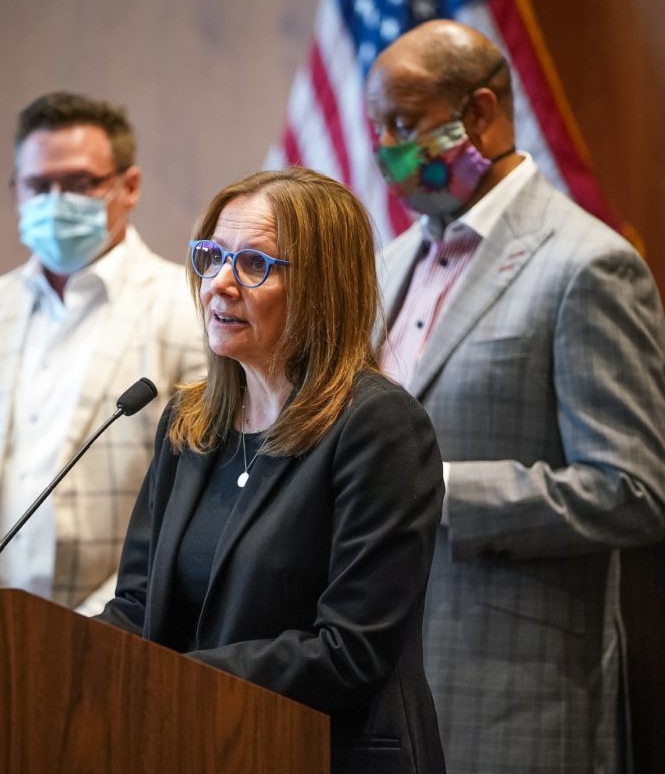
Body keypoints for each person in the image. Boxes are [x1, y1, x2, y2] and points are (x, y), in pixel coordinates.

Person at [366, 20, 665, 774]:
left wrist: (434, 492)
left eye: (404, 124)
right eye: (379, 129)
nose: (388, 151)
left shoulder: (587, 266)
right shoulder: (390, 262)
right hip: (376, 683)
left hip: (513, 692)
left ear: (483, 115)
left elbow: (631, 491)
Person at [99, 167, 446, 774]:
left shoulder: (379, 427)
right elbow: (137, 603)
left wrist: (168, 679)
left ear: (323, 287)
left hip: (324, 755)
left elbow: (350, 651)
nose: (220, 285)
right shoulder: (190, 420)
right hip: (195, 747)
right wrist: (67, 662)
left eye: (255, 264)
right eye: (211, 258)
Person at [0, 91, 204, 611]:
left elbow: (188, 518)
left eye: (80, 184)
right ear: (17, 191)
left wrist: (82, 638)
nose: (56, 202)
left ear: (130, 185)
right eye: (38, 185)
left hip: (112, 639)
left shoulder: (190, 314)